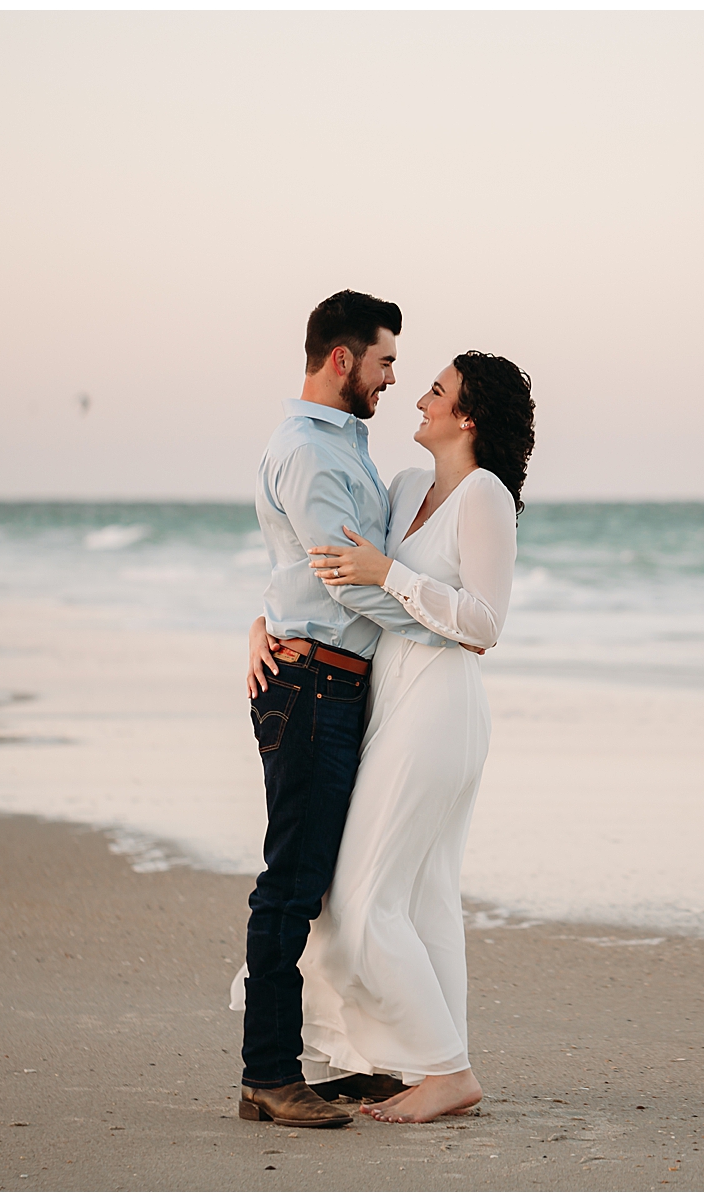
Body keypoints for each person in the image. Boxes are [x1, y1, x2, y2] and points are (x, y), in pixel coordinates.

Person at [291, 350, 536, 1123]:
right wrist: (270, 624)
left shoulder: (484, 497)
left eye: (437, 390)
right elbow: (337, 576)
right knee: (421, 897)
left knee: (359, 902)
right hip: (390, 700)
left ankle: (447, 1070)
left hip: (442, 711)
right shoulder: (405, 489)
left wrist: (389, 574)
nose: (418, 398)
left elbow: (484, 625)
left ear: (468, 417)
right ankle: (417, 1062)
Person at [234, 290, 455, 1129]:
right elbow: (343, 580)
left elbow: (306, 572)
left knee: (325, 887)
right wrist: (443, 625)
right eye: (386, 360)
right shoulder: (315, 454)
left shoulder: (340, 445)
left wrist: (261, 621)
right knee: (290, 889)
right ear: (342, 360)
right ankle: (266, 1075)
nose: (394, 377)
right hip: (313, 688)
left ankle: (325, 1059)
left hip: (327, 683)